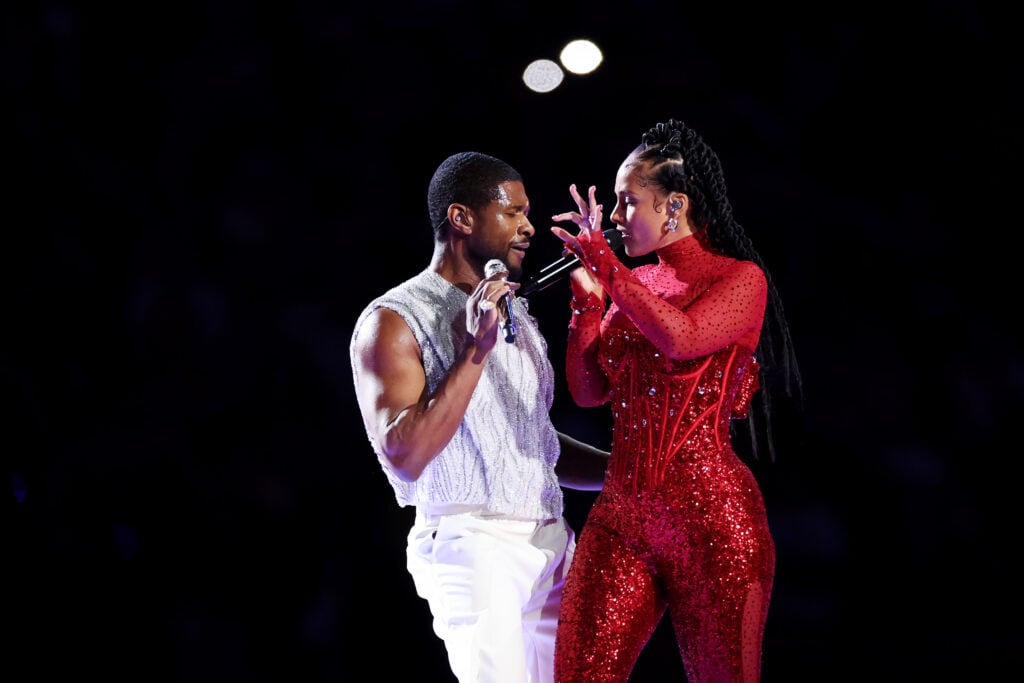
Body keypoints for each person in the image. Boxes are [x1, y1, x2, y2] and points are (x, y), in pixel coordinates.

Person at [548, 119, 803, 683]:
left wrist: (611, 272)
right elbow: (589, 393)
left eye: (626, 202)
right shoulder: (637, 284)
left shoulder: (740, 280)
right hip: (621, 517)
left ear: (674, 206)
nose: (614, 219)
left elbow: (681, 339)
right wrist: (587, 307)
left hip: (712, 520)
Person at [349, 150, 608, 683]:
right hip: (474, 543)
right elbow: (407, 455)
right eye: (513, 212)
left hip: (552, 541)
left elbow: (534, 441)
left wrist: (629, 469)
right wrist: (472, 352)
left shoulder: (514, 311)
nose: (529, 226)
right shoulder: (394, 319)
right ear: (462, 219)